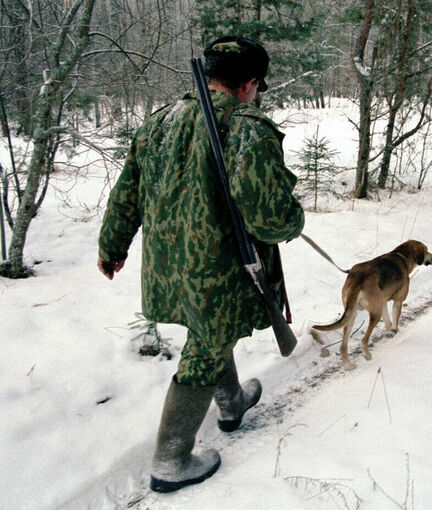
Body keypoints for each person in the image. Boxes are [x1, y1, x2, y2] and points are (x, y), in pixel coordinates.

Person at [97, 36, 304, 493]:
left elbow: (126, 193)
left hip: (170, 264)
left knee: (211, 333)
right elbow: (269, 219)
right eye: (257, 86)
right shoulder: (247, 127)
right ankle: (170, 460)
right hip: (220, 270)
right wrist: (295, 219)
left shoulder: (159, 122)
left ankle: (230, 402)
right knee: (205, 347)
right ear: (249, 84)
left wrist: (112, 246)